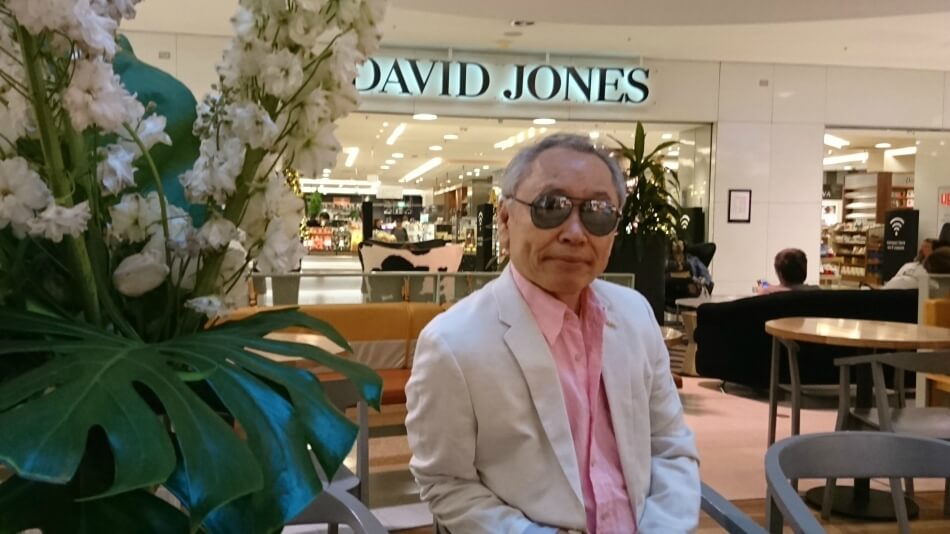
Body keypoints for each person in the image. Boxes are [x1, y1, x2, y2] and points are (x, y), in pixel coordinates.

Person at [405, 133, 700, 533]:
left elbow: (670, 444)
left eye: (598, 212)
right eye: (550, 207)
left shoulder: (635, 315)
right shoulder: (452, 345)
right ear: (506, 221)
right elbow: (447, 483)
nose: (575, 232)